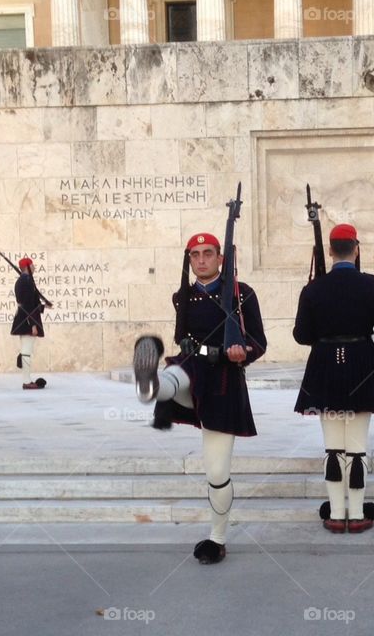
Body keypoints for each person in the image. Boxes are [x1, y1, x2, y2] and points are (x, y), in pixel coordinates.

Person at [133, 232, 267, 565]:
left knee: (216, 471)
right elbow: (183, 340)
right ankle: (150, 384)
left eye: (208, 253)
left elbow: (259, 343)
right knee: (176, 374)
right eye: (195, 255)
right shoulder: (182, 297)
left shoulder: (242, 293)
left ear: (221, 258)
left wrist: (242, 353)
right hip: (193, 368)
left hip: (223, 379)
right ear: (189, 259)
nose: (201, 260)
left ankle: (217, 538)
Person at [293, 224, 374, 534]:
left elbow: (301, 335)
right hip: (363, 363)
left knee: (333, 448)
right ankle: (359, 512)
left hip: (325, 366)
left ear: (330, 251)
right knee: (357, 447)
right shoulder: (373, 285)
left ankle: (337, 514)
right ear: (356, 249)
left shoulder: (313, 289)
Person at [10, 257, 47, 390]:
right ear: (28, 266)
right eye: (32, 264)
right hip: (26, 320)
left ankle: (26, 374)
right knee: (26, 351)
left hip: (24, 317)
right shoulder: (26, 281)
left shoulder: (24, 280)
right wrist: (33, 324)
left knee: (26, 350)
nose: (34, 266)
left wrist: (43, 307)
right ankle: (26, 381)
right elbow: (27, 305)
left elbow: (30, 302)